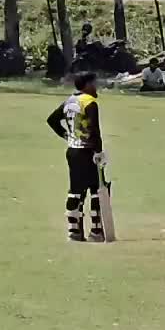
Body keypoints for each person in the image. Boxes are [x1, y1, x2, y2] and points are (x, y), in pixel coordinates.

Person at [46, 72, 108, 243]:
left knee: (75, 190)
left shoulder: (69, 101)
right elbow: (94, 130)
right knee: (96, 190)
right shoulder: (89, 102)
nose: (96, 87)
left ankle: (74, 231)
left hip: (73, 151)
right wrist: (99, 152)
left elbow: (52, 120)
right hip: (88, 151)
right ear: (87, 85)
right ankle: (96, 231)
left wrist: (67, 136)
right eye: (94, 84)